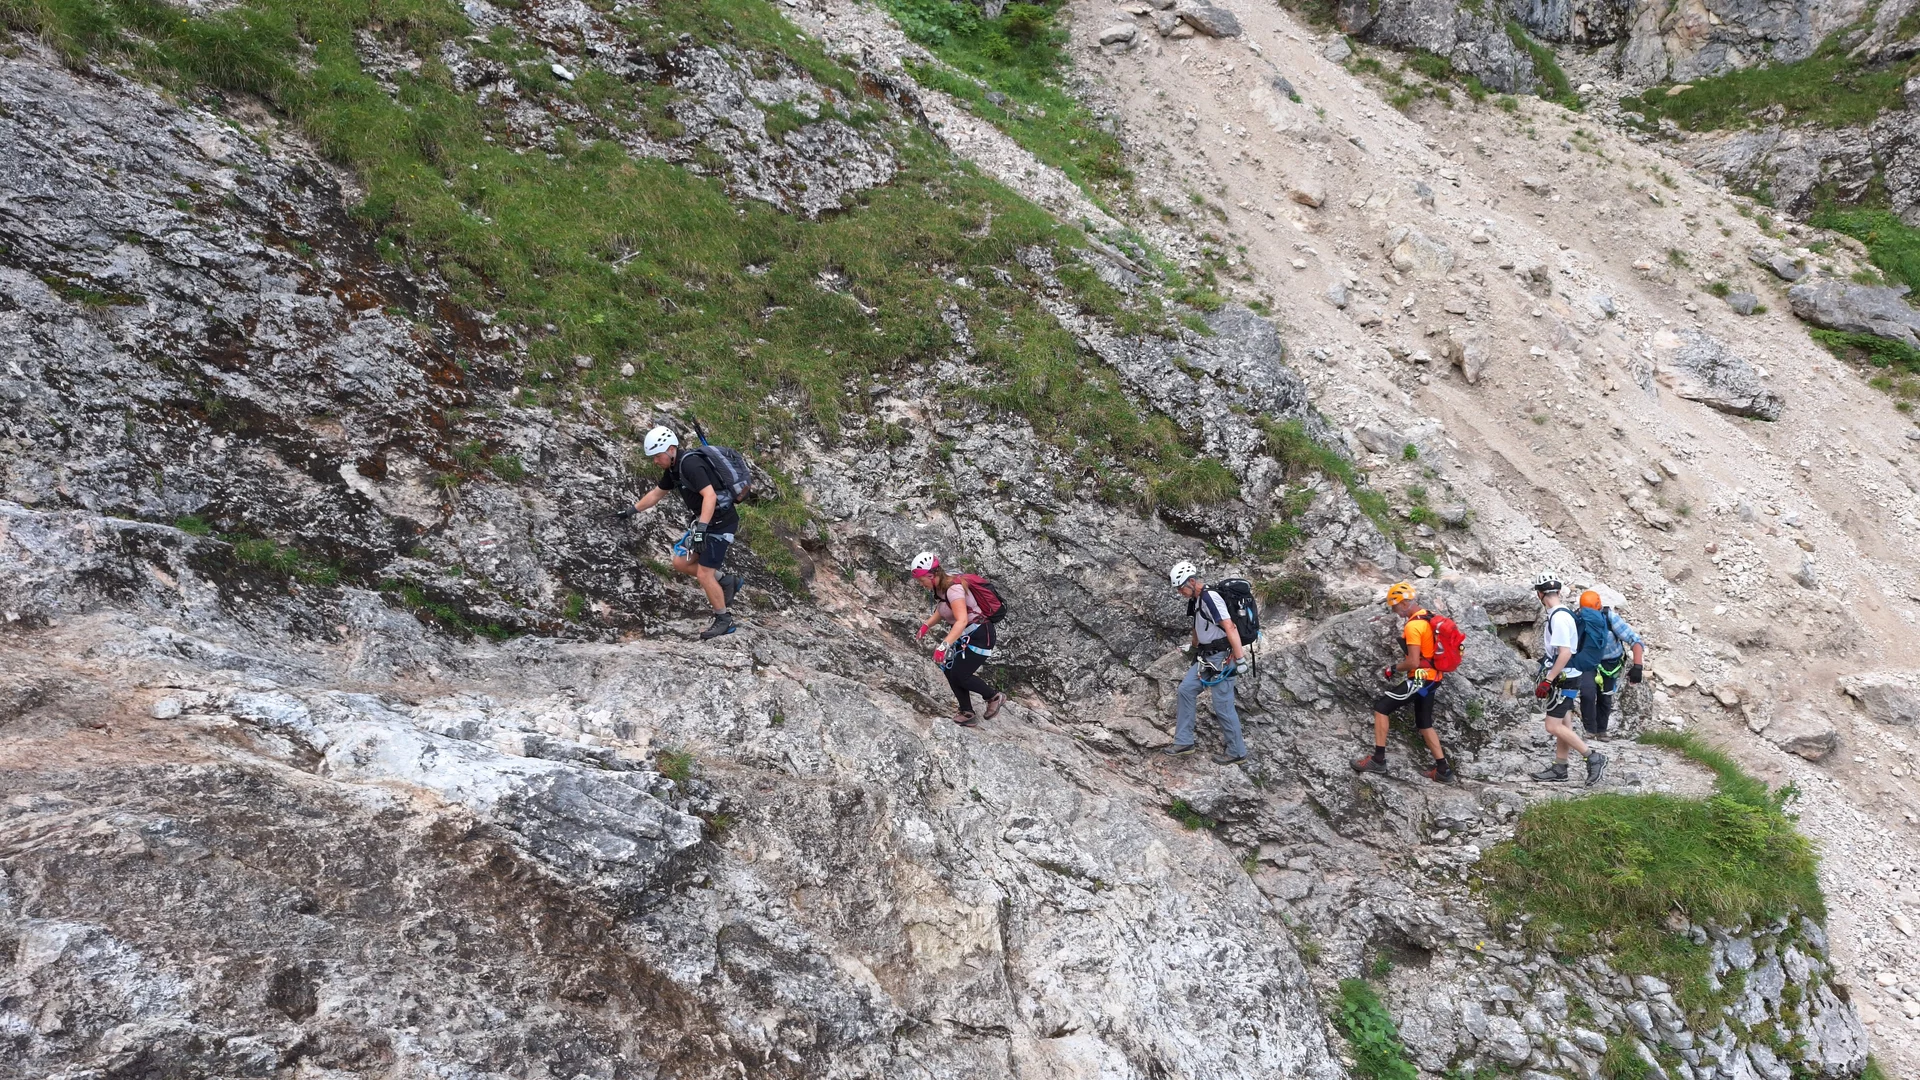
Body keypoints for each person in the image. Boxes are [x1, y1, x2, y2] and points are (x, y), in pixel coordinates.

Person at [621, 426, 745, 640]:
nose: (655, 461)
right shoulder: (673, 469)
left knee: (704, 573)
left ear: (670, 450)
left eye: (657, 456)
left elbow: (710, 496)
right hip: (707, 522)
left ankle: (724, 620)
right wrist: (630, 511)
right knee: (680, 562)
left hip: (720, 523)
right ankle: (727, 582)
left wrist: (701, 531)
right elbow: (656, 494)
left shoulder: (690, 465)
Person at [1351, 582, 1454, 782]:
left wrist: (1392, 668)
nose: (1394, 611)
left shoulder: (1414, 625)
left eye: (1395, 606)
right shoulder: (1428, 615)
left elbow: (1413, 662)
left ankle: (1378, 760)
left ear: (1405, 603)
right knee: (1424, 723)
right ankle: (1443, 771)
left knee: (1382, 707)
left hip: (1421, 679)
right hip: (1434, 680)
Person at [1163, 561, 1249, 765]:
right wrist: (1193, 648)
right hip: (1207, 656)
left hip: (1222, 657)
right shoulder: (1196, 600)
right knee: (1185, 689)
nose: (1179, 592)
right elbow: (1198, 626)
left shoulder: (1211, 597)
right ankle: (1184, 741)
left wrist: (1240, 659)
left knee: (1223, 706)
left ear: (1192, 581)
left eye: (1181, 587)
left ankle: (1237, 752)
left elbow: (1230, 627)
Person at [912, 552, 1006, 727]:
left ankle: (993, 696)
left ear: (931, 576)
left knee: (960, 675)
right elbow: (943, 610)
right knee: (950, 670)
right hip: (969, 635)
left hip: (980, 635)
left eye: (921, 580)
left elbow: (961, 620)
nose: (921, 584)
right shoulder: (941, 588)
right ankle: (967, 711)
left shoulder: (953, 589)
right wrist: (926, 626)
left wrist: (944, 645)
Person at [1531, 573, 1607, 785]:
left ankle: (1593, 757)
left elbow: (1564, 653)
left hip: (1565, 679)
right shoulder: (1563, 614)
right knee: (1564, 723)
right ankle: (1560, 767)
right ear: (1558, 592)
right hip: (1569, 676)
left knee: (1552, 726)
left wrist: (1548, 680)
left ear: (1540, 594)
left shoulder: (1559, 617)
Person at [1579, 590, 1645, 739]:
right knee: (1587, 692)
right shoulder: (1579, 620)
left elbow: (1635, 641)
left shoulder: (1611, 619)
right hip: (1589, 661)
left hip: (1610, 663)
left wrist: (1638, 667)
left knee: (1605, 697)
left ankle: (1601, 730)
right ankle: (1589, 729)